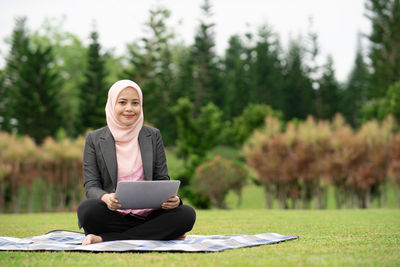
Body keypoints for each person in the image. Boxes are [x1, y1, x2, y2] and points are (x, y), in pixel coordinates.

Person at [77, 80, 196, 245]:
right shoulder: (94, 139)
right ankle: (159, 234)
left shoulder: (153, 135)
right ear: (112, 104)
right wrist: (105, 198)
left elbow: (162, 179)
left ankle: (106, 238)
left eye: (135, 103)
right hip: (113, 215)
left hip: (150, 215)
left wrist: (173, 199)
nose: (129, 108)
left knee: (187, 214)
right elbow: (91, 186)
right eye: (122, 102)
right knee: (87, 210)